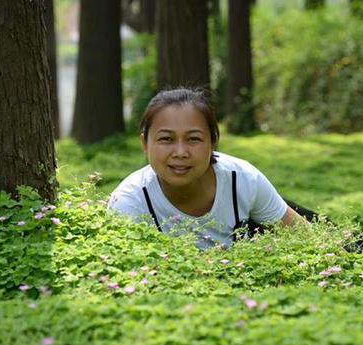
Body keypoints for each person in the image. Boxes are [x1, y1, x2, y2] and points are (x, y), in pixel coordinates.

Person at [108, 88, 310, 250]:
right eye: (166, 139)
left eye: (193, 139)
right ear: (145, 144)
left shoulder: (244, 179)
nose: (180, 152)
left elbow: (307, 237)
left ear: (213, 142)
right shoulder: (130, 200)